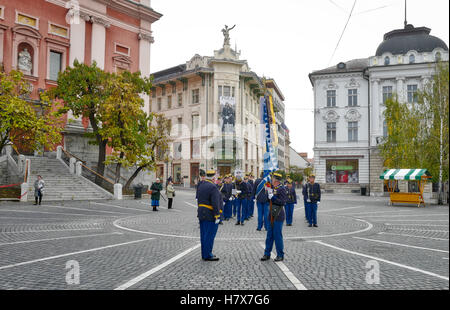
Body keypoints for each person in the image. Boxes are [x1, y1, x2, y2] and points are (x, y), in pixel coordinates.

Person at [197, 170, 223, 261]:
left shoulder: (200, 185)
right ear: (213, 178)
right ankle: (208, 254)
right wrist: (217, 215)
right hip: (210, 214)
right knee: (209, 235)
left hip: (201, 213)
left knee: (203, 235)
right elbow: (215, 203)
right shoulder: (213, 187)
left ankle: (204, 254)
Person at [261, 172, 287, 262]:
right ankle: (267, 253)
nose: (271, 180)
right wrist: (268, 192)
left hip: (278, 215)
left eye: (272, 179)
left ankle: (280, 255)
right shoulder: (272, 188)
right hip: (271, 214)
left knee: (277, 236)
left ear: (276, 180)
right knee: (269, 236)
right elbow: (268, 199)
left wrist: (273, 198)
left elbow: (283, 202)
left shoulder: (282, 189)